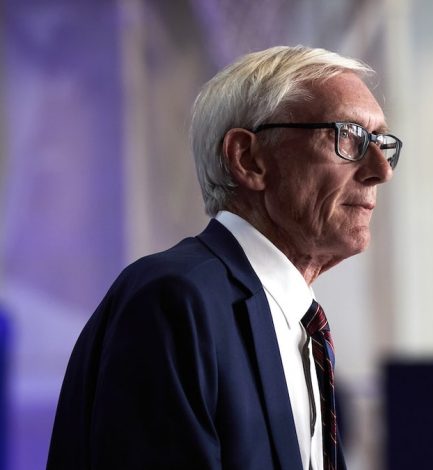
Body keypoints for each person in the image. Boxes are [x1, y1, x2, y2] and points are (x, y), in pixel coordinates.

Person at [47, 45, 401, 470]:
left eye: (382, 142)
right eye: (350, 137)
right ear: (248, 159)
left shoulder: (302, 324)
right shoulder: (173, 301)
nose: (381, 169)